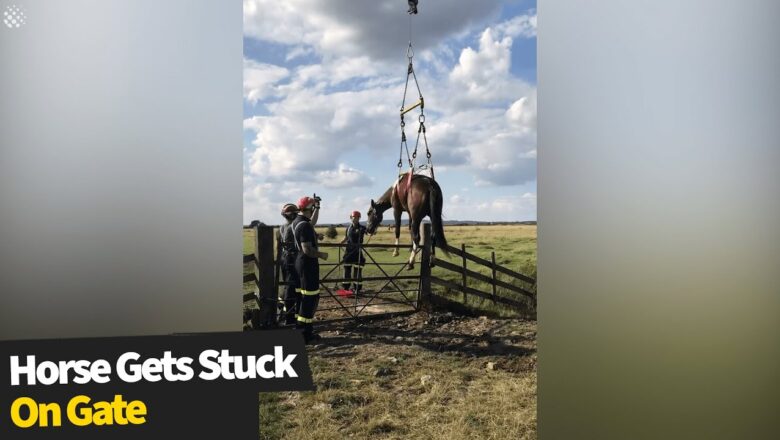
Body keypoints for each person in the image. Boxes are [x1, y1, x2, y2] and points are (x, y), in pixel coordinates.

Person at [291, 195, 327, 343]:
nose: (313, 211)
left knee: (303, 298)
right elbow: (307, 250)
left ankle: (301, 330)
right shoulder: (305, 226)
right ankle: (306, 335)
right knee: (310, 299)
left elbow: (311, 223)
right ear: (309, 209)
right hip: (308, 265)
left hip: (300, 264)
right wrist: (321, 254)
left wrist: (317, 207)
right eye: (313, 208)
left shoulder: (298, 222)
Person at [278, 203, 300, 325]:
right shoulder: (292, 226)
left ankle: (286, 314)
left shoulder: (282, 227)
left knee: (288, 286)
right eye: (295, 213)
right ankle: (290, 318)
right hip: (292, 260)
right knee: (291, 288)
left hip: (284, 259)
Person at [340, 211, 367, 294]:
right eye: (353, 217)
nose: (355, 219)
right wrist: (340, 243)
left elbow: (369, 232)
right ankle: (346, 289)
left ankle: (357, 289)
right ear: (351, 217)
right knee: (347, 270)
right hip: (348, 252)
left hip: (357, 253)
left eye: (357, 217)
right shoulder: (348, 228)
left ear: (359, 218)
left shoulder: (362, 228)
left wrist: (373, 230)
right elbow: (346, 237)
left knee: (357, 271)